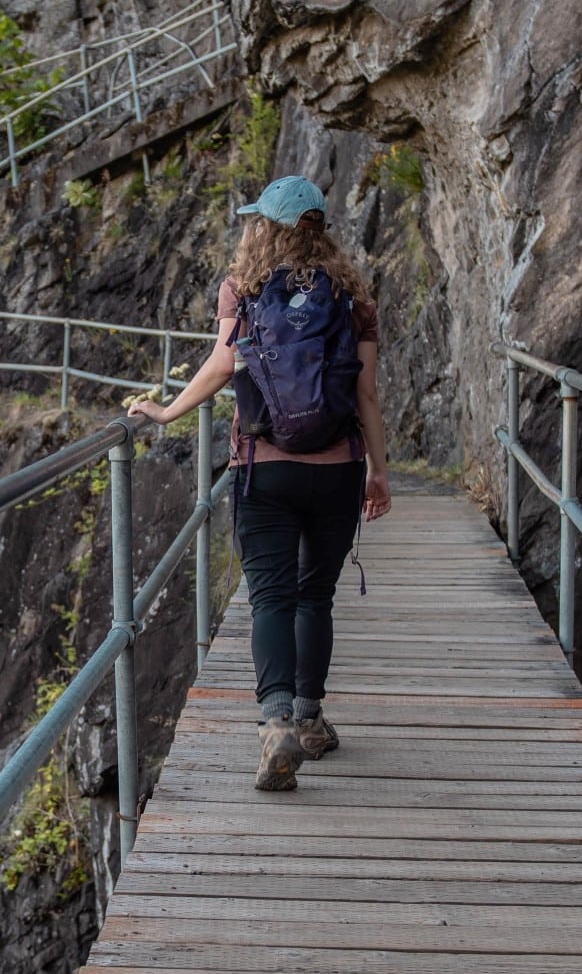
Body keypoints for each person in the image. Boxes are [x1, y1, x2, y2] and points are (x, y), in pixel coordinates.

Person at [128, 175, 391, 791]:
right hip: (337, 469)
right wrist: (379, 472)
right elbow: (368, 394)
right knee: (315, 595)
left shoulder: (242, 290)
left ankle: (275, 722)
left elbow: (223, 364)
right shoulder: (353, 297)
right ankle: (312, 718)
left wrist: (167, 411)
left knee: (270, 595)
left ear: (264, 227)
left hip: (262, 467)